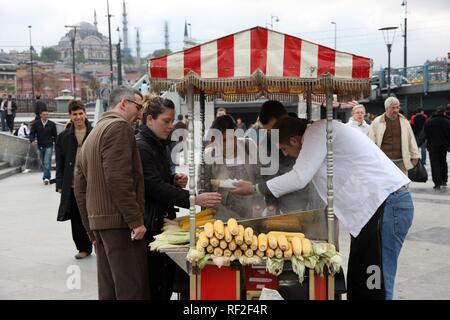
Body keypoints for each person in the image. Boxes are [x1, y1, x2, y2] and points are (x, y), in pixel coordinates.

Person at [231, 116, 414, 300]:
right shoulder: (318, 135)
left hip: (386, 205)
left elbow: (299, 177)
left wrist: (256, 189)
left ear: (295, 140)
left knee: (376, 285)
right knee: (360, 281)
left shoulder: (318, 131)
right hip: (370, 213)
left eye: (284, 149)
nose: (285, 155)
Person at [135, 96, 221, 299]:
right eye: (166, 121)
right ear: (149, 120)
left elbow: (159, 180)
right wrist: (194, 199)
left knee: (164, 282)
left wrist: (173, 179)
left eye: (171, 121)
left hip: (162, 217)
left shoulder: (158, 143)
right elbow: (154, 186)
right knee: (156, 283)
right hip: (151, 221)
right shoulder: (142, 146)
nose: (170, 126)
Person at [74, 86, 149, 300]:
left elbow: (79, 189)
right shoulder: (119, 128)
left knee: (109, 291)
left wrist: (90, 230)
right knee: (131, 289)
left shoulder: (92, 135)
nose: (140, 113)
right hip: (121, 225)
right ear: (123, 104)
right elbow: (118, 178)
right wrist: (135, 221)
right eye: (138, 106)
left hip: (101, 225)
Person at [257, 100, 321, 214]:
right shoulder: (266, 144)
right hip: (286, 202)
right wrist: (271, 202)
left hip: (315, 196)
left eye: (273, 129)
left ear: (284, 119)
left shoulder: (308, 131)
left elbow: (303, 175)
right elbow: (268, 175)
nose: (272, 135)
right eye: (268, 131)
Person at [203, 115, 264, 220]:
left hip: (251, 213)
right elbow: (204, 190)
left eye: (231, 138)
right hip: (222, 216)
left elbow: (260, 178)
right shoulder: (209, 155)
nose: (227, 144)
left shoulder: (249, 146)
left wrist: (258, 204)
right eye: (222, 141)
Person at [55, 100, 93, 260]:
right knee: (77, 217)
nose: (78, 117)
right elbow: (60, 162)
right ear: (69, 116)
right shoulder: (63, 137)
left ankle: (99, 243)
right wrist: (59, 183)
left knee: (95, 214)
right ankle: (83, 248)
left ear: (85, 113)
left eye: (80, 113)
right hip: (72, 183)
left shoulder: (94, 133)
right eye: (74, 114)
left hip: (92, 181)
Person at [368, 97, 419, 175]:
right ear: (386, 108)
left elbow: (411, 139)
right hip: (384, 161)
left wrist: (415, 155)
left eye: (397, 107)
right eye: (393, 108)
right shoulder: (377, 122)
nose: (396, 110)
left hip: (402, 161)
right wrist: (372, 158)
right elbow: (371, 141)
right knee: (387, 185)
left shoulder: (404, 122)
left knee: (402, 185)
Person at [423, 107, 450, 190]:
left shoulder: (429, 122)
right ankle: (444, 180)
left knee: (435, 164)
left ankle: (437, 183)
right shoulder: (447, 122)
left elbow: (425, 134)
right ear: (444, 113)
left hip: (432, 146)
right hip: (444, 145)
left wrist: (418, 143)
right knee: (443, 162)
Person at [29, 109, 58, 185]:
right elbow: (32, 133)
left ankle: (46, 178)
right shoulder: (36, 124)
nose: (46, 116)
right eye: (44, 114)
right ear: (40, 115)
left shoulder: (52, 124)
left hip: (49, 145)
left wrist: (58, 143)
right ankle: (47, 176)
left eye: (47, 114)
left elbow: (55, 135)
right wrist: (32, 140)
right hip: (40, 145)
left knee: (47, 162)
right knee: (43, 162)